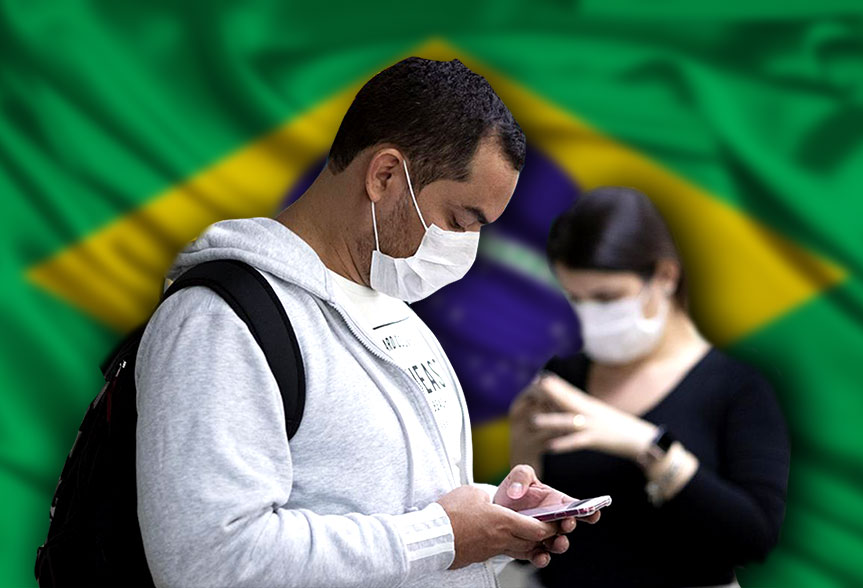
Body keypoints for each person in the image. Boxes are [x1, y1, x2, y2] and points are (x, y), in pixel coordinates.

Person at [134, 56, 600, 588]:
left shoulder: (392, 310)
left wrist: (493, 525)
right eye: (459, 220)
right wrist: (442, 537)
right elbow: (206, 561)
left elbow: (397, 512)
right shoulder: (219, 322)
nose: (467, 249)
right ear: (385, 175)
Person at [509, 186, 790, 587]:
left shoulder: (739, 390)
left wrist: (647, 443)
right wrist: (523, 465)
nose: (591, 316)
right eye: (577, 299)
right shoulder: (562, 378)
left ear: (665, 276)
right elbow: (531, 547)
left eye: (607, 297)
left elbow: (754, 539)